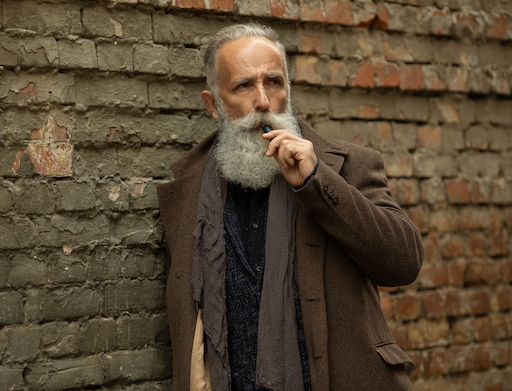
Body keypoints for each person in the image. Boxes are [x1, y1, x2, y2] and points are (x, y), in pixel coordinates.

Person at [157, 22, 423, 391]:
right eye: (244, 85)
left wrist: (317, 181)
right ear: (213, 105)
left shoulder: (349, 166)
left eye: (274, 83)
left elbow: (403, 263)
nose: (263, 101)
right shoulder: (187, 191)